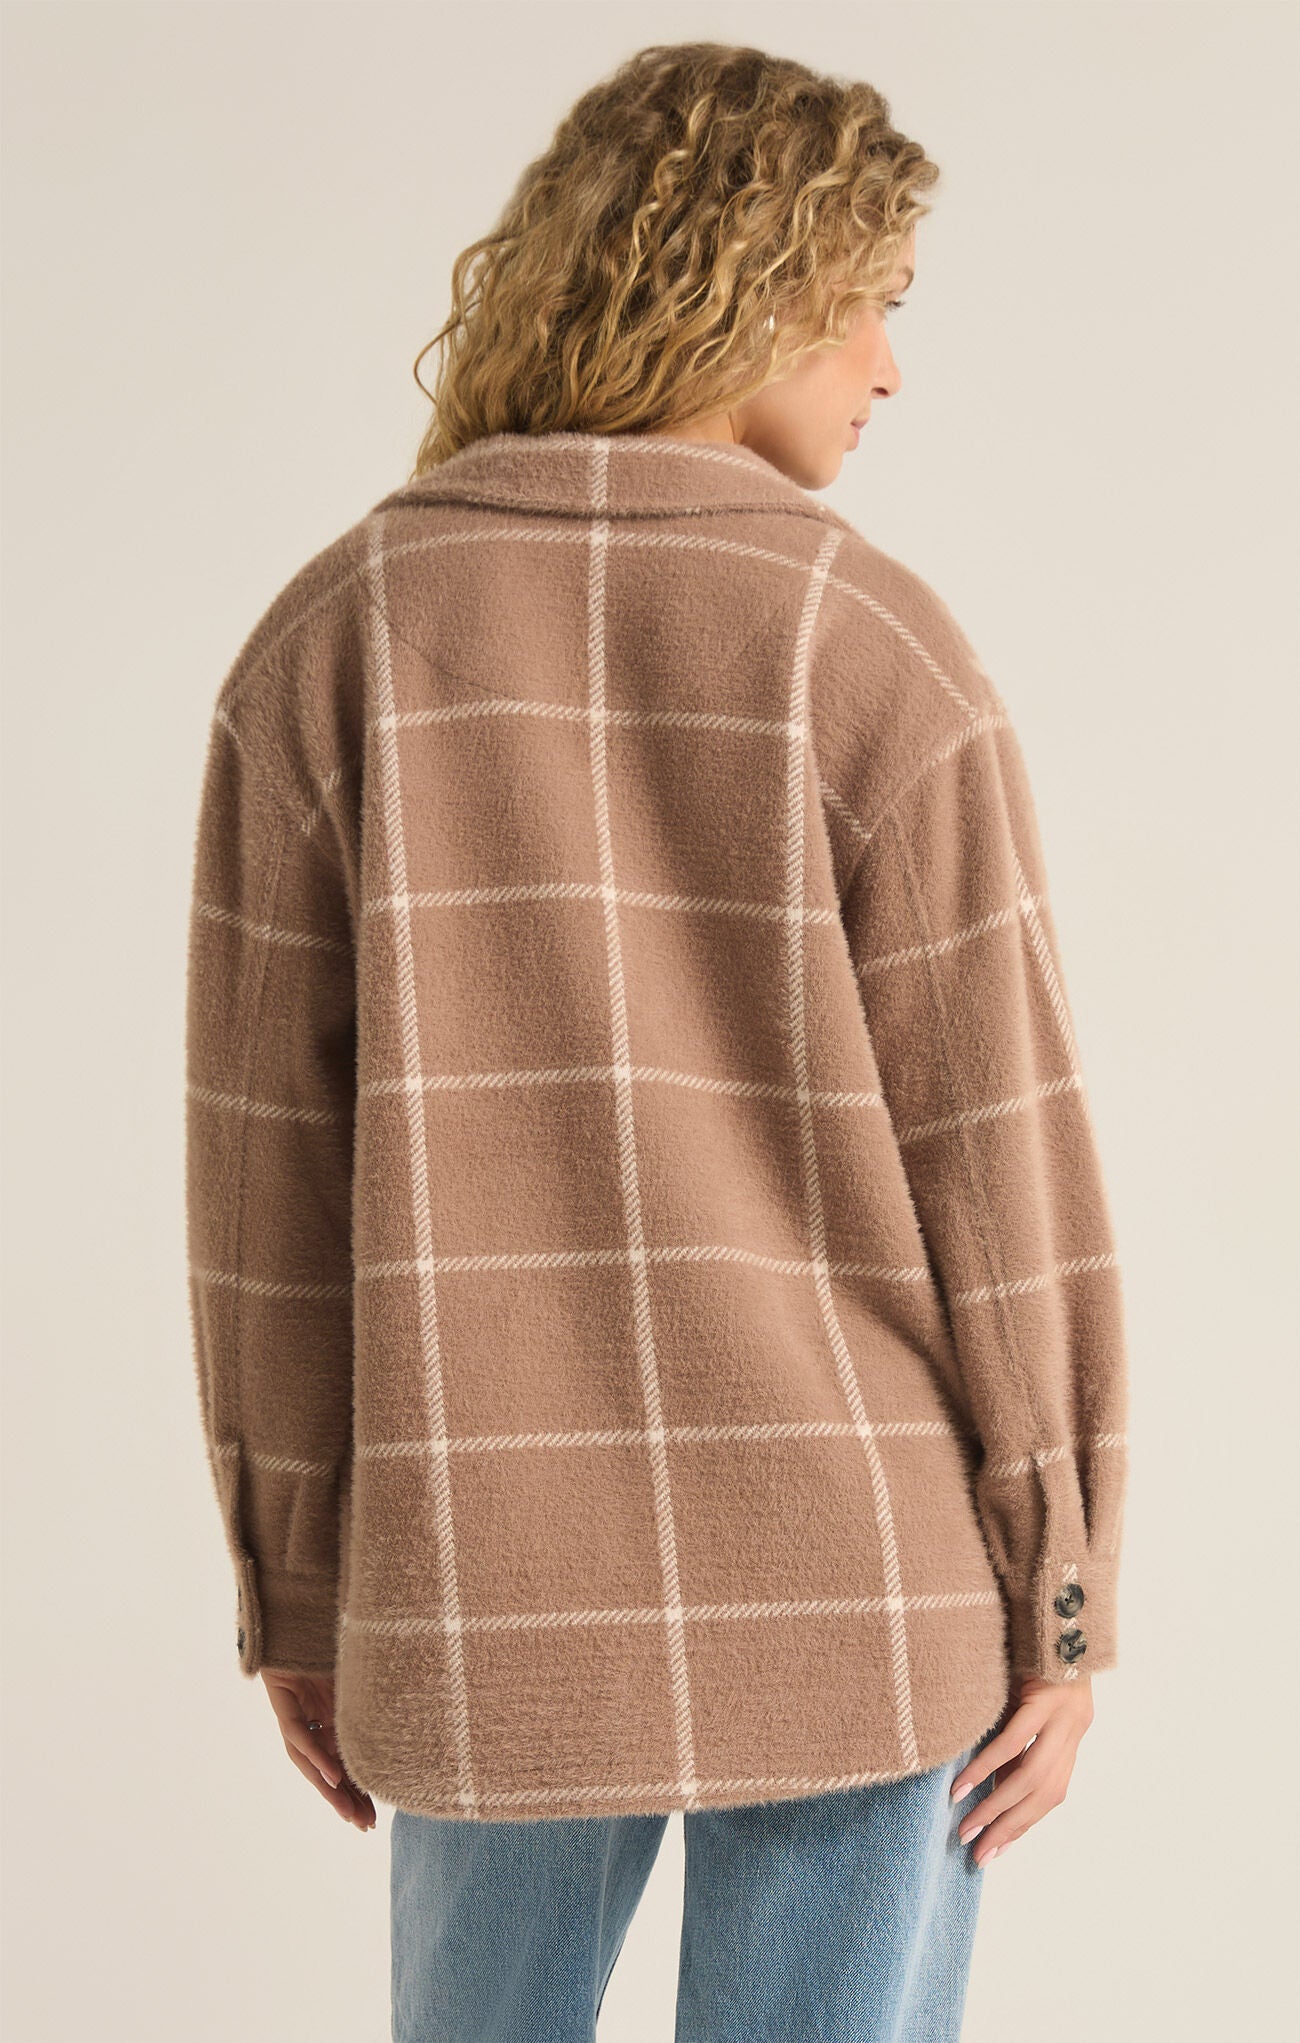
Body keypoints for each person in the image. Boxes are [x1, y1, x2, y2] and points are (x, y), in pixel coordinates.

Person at [184, 39, 1129, 2042]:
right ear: (751, 280)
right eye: (871, 300)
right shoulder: (867, 642)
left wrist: (298, 1580)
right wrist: (1059, 1587)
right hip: (860, 1587)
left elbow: (265, 1189)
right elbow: (1003, 1164)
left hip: (479, 1578)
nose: (889, 368)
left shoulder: (336, 641)